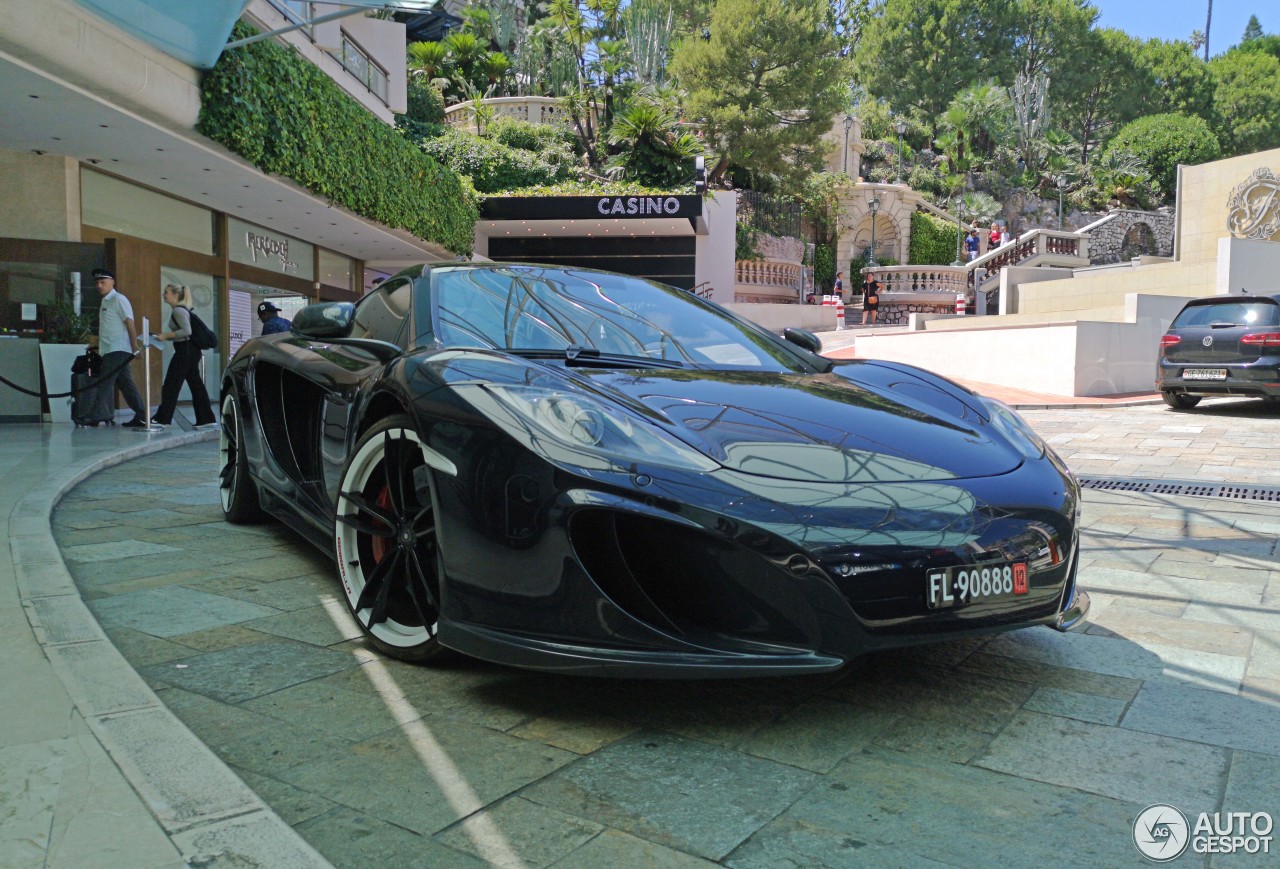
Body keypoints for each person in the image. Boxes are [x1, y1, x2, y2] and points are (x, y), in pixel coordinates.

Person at [150, 284, 216, 430]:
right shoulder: (182, 310)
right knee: (196, 385)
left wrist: (166, 335)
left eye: (166, 292)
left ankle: (163, 418)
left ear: (174, 295)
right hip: (191, 351)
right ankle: (206, 418)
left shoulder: (178, 311)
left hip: (185, 352)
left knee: (171, 385)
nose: (163, 295)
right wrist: (164, 337)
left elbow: (186, 331)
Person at [92, 268, 148, 428]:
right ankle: (142, 415)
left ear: (112, 282)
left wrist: (134, 347)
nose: (99, 286)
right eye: (97, 283)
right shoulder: (106, 301)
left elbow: (129, 323)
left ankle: (94, 416)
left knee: (104, 382)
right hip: (110, 349)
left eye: (103, 282)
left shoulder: (118, 299)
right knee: (125, 384)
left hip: (118, 349)